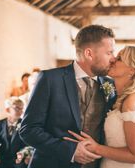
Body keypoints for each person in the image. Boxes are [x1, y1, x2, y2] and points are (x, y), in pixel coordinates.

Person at [19, 25, 116, 168]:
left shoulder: (109, 84)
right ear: (89, 54)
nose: (113, 59)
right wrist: (69, 151)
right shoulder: (50, 79)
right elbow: (28, 130)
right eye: (109, 53)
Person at [65, 46, 135, 168]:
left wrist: (97, 148)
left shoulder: (133, 101)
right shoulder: (120, 97)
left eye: (119, 58)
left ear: (132, 70)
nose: (112, 60)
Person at [0, 97, 29, 168]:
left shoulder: (24, 124)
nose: (20, 111)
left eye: (21, 109)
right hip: (2, 160)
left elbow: (26, 144)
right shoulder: (0, 124)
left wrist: (22, 153)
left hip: (18, 160)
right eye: (17, 108)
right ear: (8, 110)